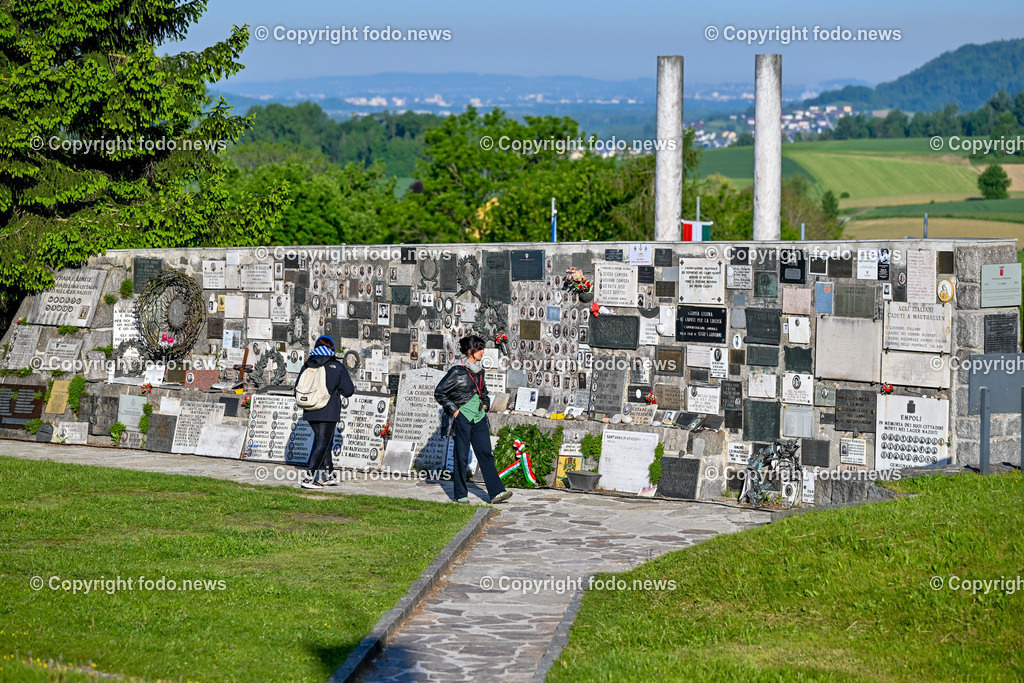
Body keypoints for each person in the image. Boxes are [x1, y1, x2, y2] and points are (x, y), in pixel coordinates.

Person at [434, 335, 512, 504]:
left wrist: (485, 405)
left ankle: (496, 492)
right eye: (479, 349)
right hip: (462, 419)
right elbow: (439, 392)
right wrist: (455, 412)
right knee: (461, 456)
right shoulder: (456, 371)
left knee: (485, 453)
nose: (483, 352)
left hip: (479, 418)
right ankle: (461, 494)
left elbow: (484, 393)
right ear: (470, 351)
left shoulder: (480, 372)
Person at [295, 335, 354, 489]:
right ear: (332, 348)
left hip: (310, 408)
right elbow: (348, 391)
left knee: (324, 442)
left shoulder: (308, 365)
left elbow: (298, 386)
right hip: (328, 410)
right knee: (323, 442)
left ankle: (329, 475)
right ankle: (309, 478)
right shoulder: (337, 366)